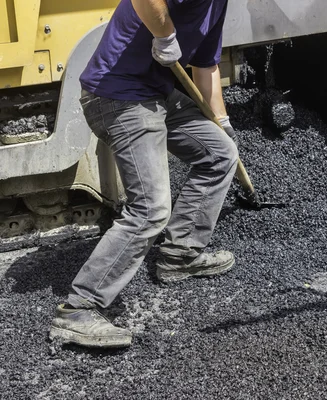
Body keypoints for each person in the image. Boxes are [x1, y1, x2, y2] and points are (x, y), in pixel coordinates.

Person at [48, 0, 238, 348]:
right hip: (116, 95)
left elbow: (206, 64)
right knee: (150, 208)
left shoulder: (218, 4)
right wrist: (165, 35)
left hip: (157, 95)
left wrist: (220, 120)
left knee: (220, 153)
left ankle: (180, 255)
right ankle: (78, 309)